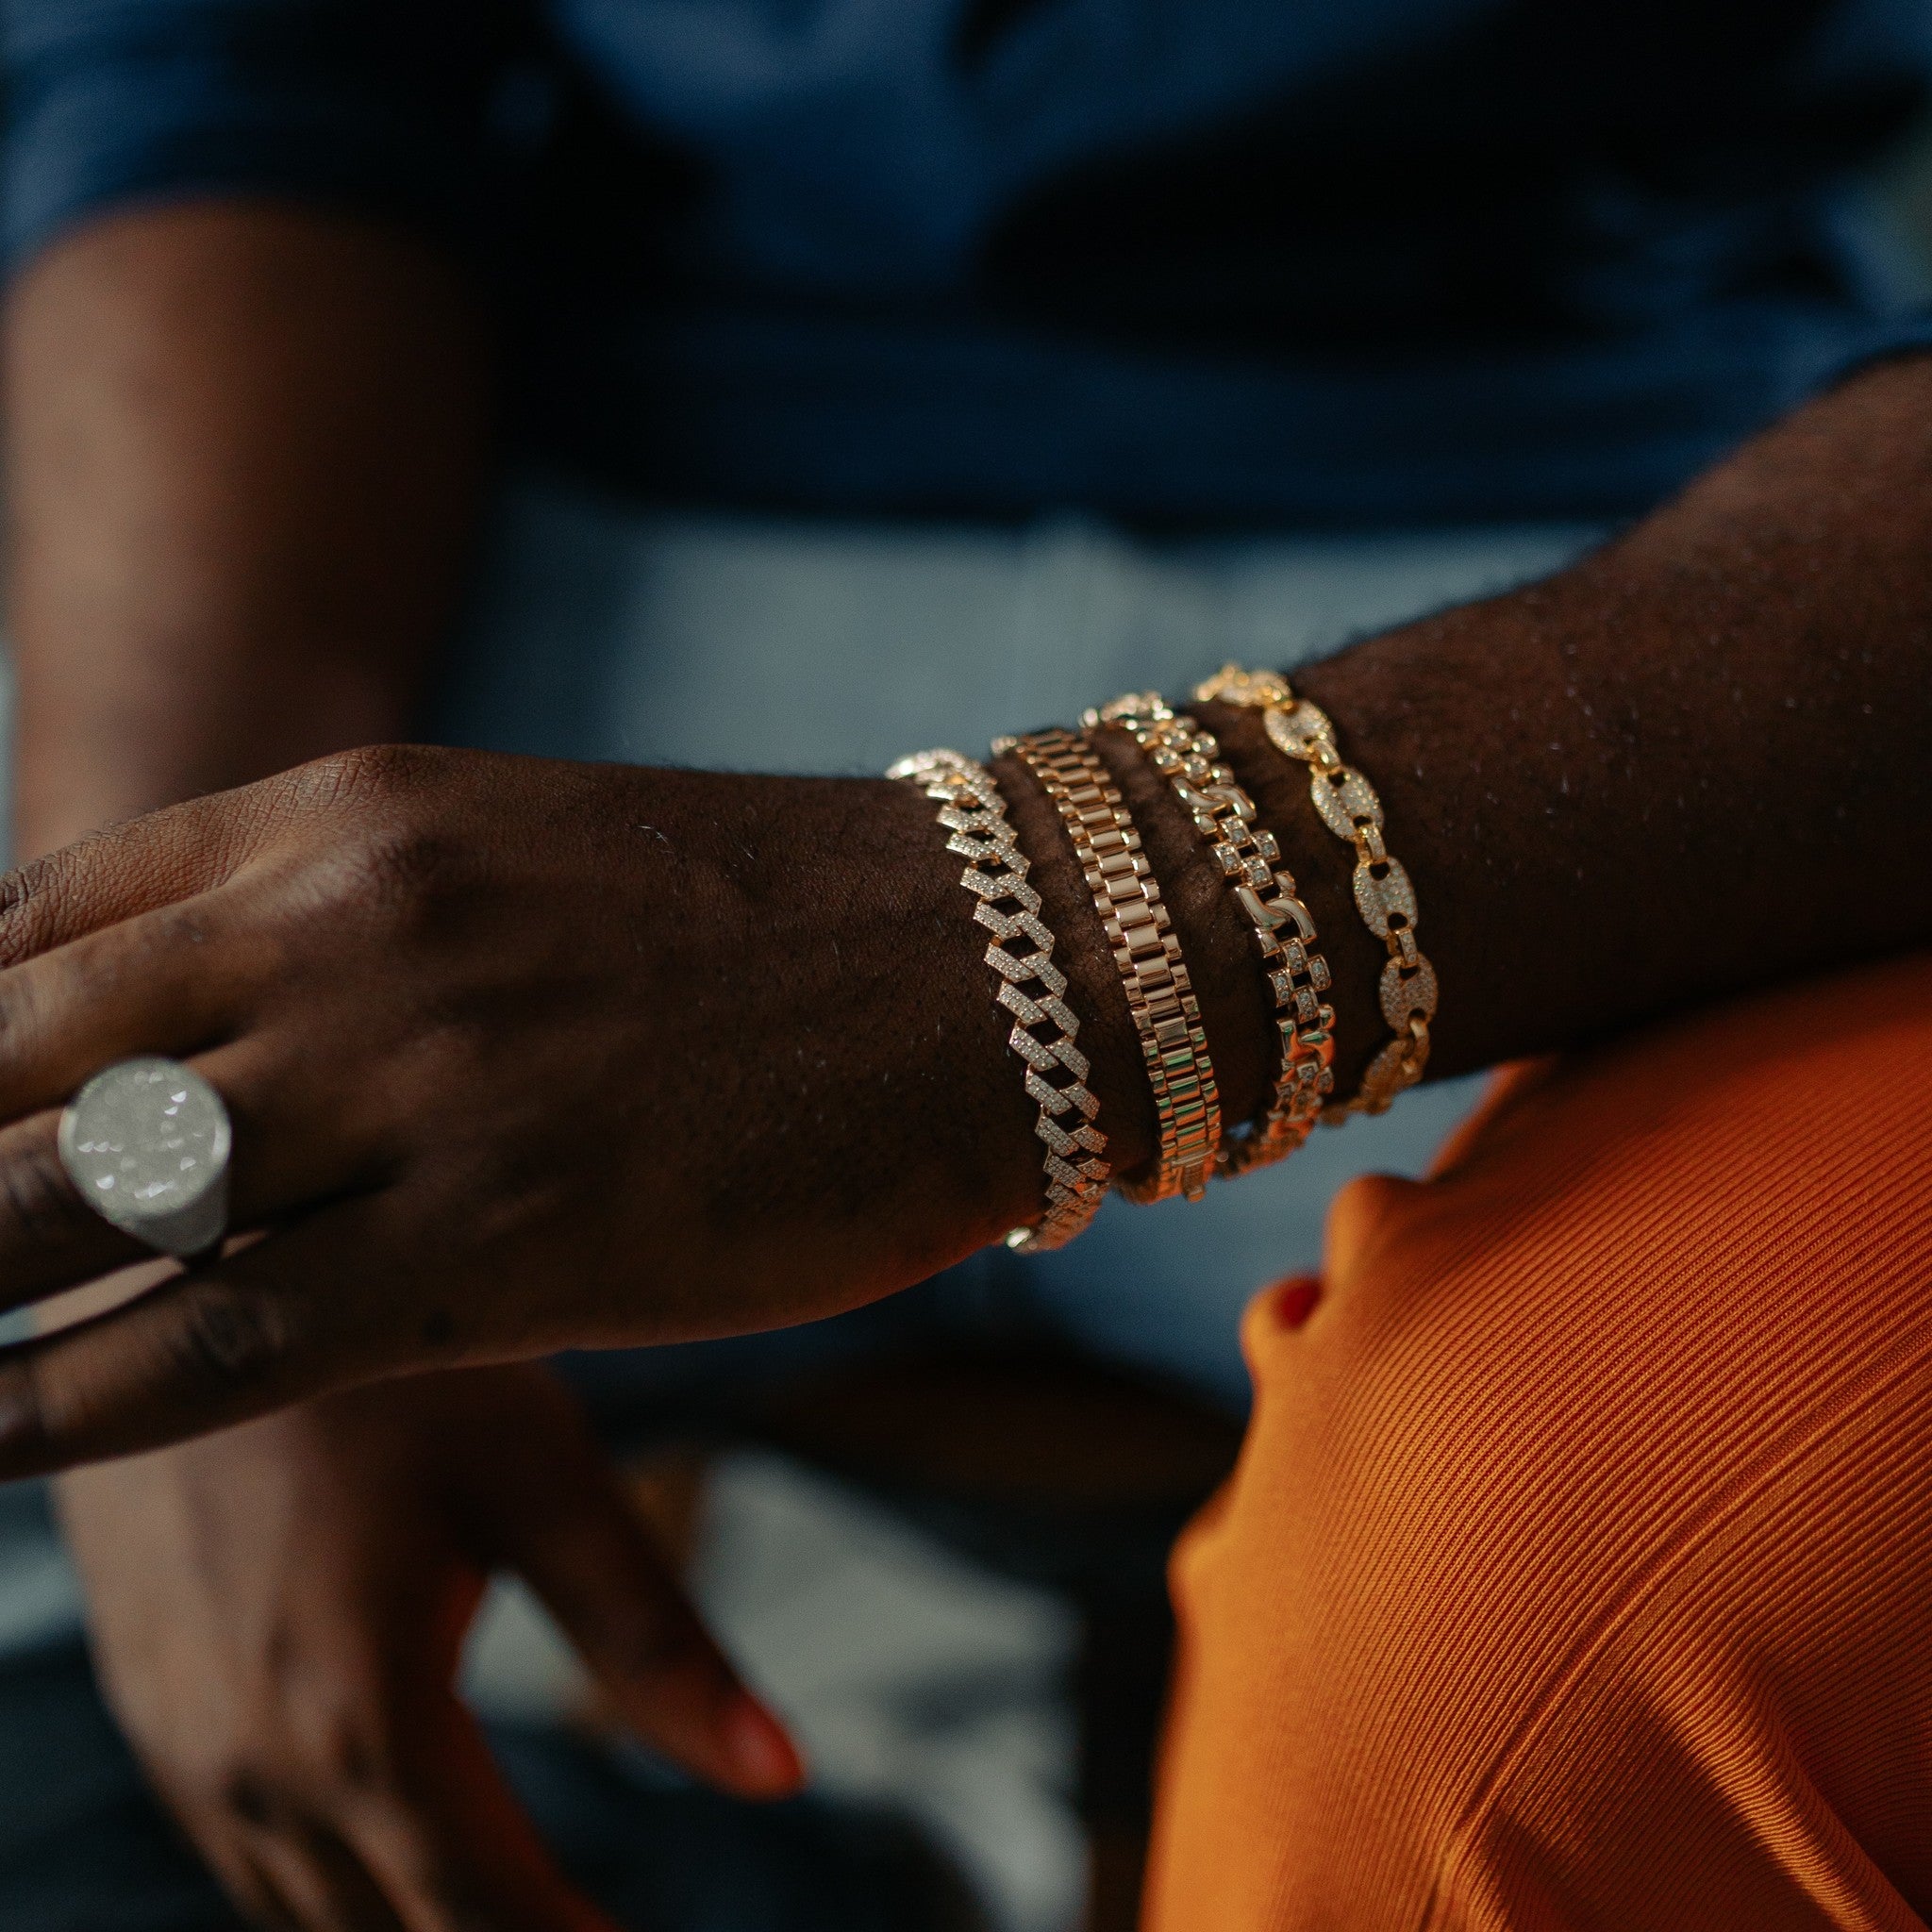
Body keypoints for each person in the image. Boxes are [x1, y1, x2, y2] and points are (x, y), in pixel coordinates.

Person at [1, 4, 1930, 1930]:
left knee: (1554, 1614)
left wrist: (1020, 941)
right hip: (541, 478)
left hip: (1659, 594)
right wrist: (189, 1137)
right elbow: (213, 47)